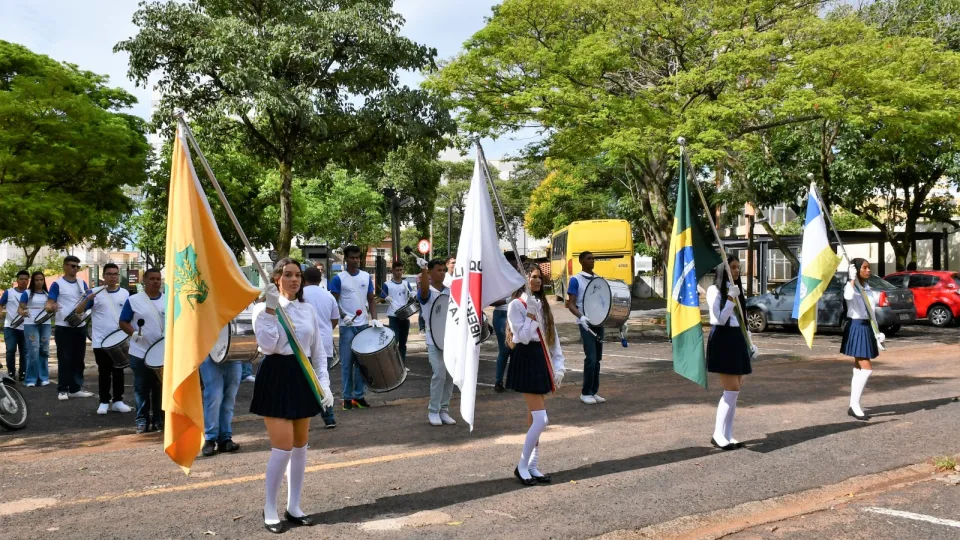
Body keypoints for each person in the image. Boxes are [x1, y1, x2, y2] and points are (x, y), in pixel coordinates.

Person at [250, 258, 333, 533]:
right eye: (287, 275)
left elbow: (318, 352)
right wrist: (272, 310)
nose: (294, 280)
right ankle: (269, 508)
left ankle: (294, 506)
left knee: (300, 446)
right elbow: (267, 345)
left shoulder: (307, 309)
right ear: (276, 279)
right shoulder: (263, 309)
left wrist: (324, 384)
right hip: (276, 376)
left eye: (297, 275)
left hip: (302, 376)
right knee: (282, 448)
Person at [505, 264, 566, 485]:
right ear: (524, 280)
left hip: (541, 357)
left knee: (534, 418)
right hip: (526, 358)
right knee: (541, 418)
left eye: (540, 277)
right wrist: (530, 314)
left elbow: (553, 337)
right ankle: (522, 465)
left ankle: (532, 465)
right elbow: (520, 337)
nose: (538, 281)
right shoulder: (515, 305)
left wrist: (559, 366)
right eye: (533, 277)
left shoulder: (542, 304)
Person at [706, 256, 756, 450]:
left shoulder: (737, 289)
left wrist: (750, 341)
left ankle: (728, 434)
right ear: (723, 270)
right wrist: (729, 298)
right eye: (733, 267)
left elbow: (742, 319)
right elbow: (719, 319)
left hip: (737, 338)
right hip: (722, 338)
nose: (736, 271)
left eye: (738, 268)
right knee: (731, 390)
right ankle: (718, 434)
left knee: (735, 392)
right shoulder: (714, 290)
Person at [77, 263, 132, 415]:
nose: (112, 277)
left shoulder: (125, 294)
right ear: (104, 276)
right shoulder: (94, 292)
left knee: (119, 371)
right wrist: (86, 299)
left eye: (115, 274)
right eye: (109, 274)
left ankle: (118, 401)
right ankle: (103, 401)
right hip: (100, 340)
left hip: (120, 340)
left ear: (118, 276)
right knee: (104, 371)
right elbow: (78, 311)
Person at [329, 245, 377, 410]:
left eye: (357, 257)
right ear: (346, 259)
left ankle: (359, 396)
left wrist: (374, 319)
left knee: (362, 363)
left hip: (363, 325)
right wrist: (343, 316)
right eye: (352, 257)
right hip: (347, 326)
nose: (355, 260)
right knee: (347, 362)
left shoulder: (366, 276)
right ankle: (347, 397)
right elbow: (333, 301)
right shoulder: (338, 279)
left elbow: (371, 299)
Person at [119, 268, 165, 434]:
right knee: (141, 387)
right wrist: (133, 334)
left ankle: (159, 420)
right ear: (144, 280)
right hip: (140, 351)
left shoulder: (168, 300)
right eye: (152, 278)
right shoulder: (134, 300)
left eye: (158, 279)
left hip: (161, 353)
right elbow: (123, 321)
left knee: (160, 388)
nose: (155, 282)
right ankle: (142, 421)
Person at [417, 257, 457, 426]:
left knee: (449, 376)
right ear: (431, 272)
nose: (442, 273)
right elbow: (425, 290)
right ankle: (433, 411)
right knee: (439, 374)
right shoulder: (426, 291)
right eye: (438, 270)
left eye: (443, 270)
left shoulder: (450, 291)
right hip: (434, 341)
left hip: (450, 340)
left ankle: (444, 410)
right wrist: (423, 270)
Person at [47, 256, 93, 400]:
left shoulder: (82, 283)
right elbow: (49, 304)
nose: (75, 269)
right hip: (63, 326)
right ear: (65, 266)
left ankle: (76, 388)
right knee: (65, 358)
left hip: (79, 325)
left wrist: (87, 307)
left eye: (77, 266)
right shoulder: (57, 284)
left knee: (78, 358)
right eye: (73, 266)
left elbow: (89, 300)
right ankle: (62, 389)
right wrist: (51, 308)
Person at [842, 258, 882, 421]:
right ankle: (855, 405)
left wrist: (877, 332)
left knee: (859, 368)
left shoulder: (867, 288)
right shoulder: (852, 287)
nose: (868, 271)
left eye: (869, 268)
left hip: (867, 327)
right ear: (856, 269)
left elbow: (871, 312)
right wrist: (851, 279)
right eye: (865, 268)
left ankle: (853, 404)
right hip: (856, 326)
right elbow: (848, 296)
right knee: (866, 368)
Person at [565, 251, 606, 405]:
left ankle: (594, 391)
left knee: (598, 360)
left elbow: (603, 301)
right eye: (588, 259)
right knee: (591, 358)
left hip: (598, 323)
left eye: (593, 258)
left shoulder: (598, 279)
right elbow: (570, 303)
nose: (592, 261)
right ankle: (585, 392)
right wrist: (580, 316)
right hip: (585, 323)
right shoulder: (576, 280)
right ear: (581, 261)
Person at [303, 266, 339, 429]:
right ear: (320, 279)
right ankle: (329, 417)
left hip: (304, 344)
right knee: (323, 381)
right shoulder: (328, 296)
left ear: (304, 279)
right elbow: (335, 319)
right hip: (325, 343)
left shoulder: (300, 295)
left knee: (304, 383)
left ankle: (304, 418)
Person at [200, 353, 242, 456]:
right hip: (210, 356)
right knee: (214, 397)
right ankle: (210, 439)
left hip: (233, 357)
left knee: (229, 399)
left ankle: (225, 439)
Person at [18, 272, 51, 387]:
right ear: (33, 281)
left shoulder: (48, 294)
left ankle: (43, 377)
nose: (39, 282)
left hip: (45, 324)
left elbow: (52, 307)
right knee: (34, 350)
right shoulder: (27, 293)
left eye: (41, 280)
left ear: (44, 281)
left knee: (44, 350)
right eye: (37, 280)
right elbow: (20, 309)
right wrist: (23, 312)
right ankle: (30, 379)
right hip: (31, 324)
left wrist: (53, 309)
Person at [380, 260, 412, 363]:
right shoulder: (387, 284)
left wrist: (412, 296)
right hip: (393, 315)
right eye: (397, 270)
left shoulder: (406, 283)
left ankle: (402, 364)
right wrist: (385, 299)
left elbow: (411, 297)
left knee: (403, 342)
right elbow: (380, 299)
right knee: (395, 340)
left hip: (405, 315)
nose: (399, 272)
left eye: (401, 270)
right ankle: (393, 364)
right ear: (392, 271)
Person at [2, 270, 29, 381]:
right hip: (10, 327)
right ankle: (11, 373)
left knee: (24, 351)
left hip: (26, 327)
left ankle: (22, 372)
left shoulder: (30, 293)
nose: (23, 281)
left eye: (26, 279)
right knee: (11, 350)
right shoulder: (9, 292)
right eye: (21, 279)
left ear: (28, 280)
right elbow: (1, 304)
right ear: (17, 280)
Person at [491, 295, 511, 392]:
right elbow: (490, 301)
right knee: (504, 350)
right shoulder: (499, 280)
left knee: (516, 350)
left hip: (517, 311)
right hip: (502, 313)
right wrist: (509, 299)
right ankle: (498, 382)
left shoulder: (520, 280)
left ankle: (514, 381)